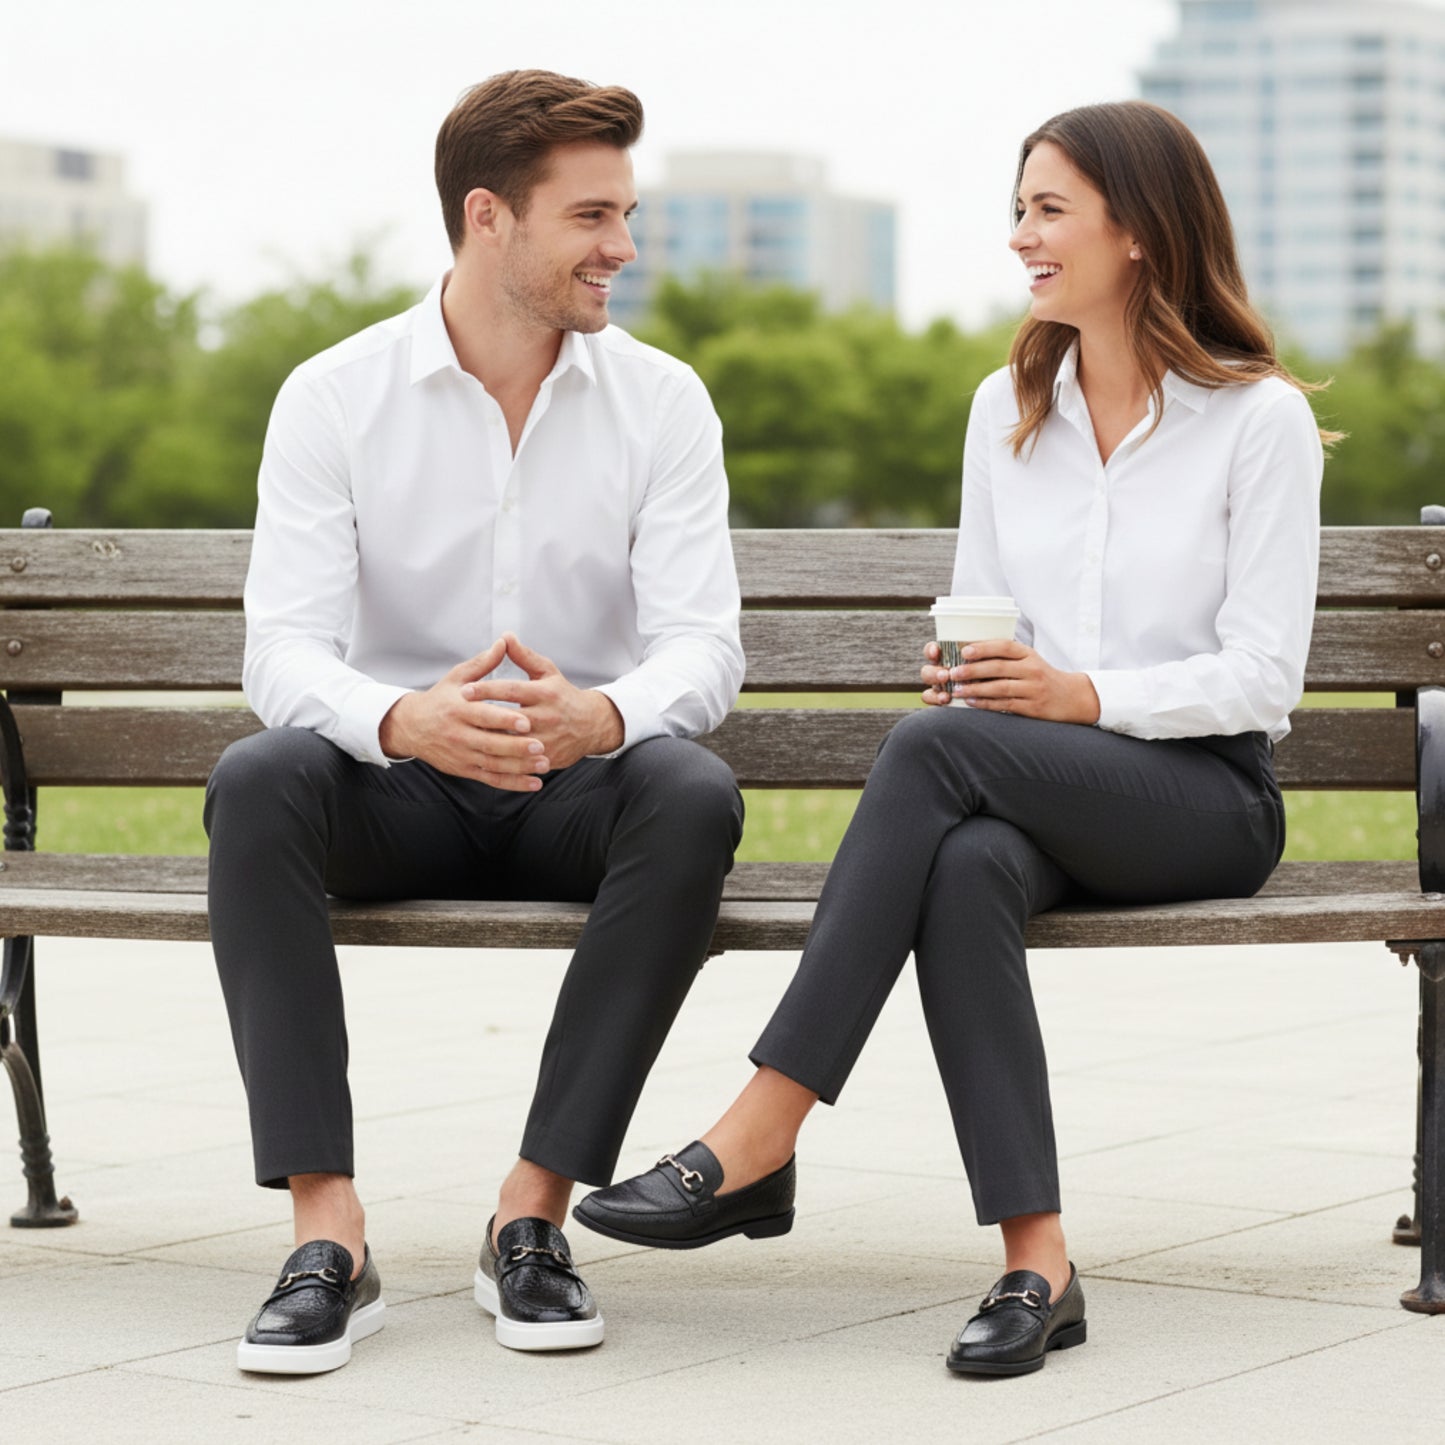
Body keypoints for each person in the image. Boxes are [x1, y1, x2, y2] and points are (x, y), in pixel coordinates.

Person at [574, 99, 1327, 1377]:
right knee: (966, 857)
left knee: (935, 763)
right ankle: (1036, 1261)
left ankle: (762, 1128)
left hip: (1201, 800)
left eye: (1048, 210)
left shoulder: (1254, 420)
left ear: (1138, 232)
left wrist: (1077, 695)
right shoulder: (1005, 407)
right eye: (1017, 209)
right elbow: (987, 614)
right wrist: (973, 675)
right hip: (1034, 784)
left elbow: (1263, 678)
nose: (1021, 238)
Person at [205, 69, 745, 1373]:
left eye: (627, 213)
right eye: (592, 216)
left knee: (690, 793)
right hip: (395, 791)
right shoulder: (336, 395)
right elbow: (279, 650)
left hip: (574, 795)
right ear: (488, 217)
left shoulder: (661, 401)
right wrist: (403, 721)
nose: (623, 247)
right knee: (261, 775)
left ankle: (532, 1216)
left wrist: (600, 714)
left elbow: (704, 647)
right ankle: (327, 1234)